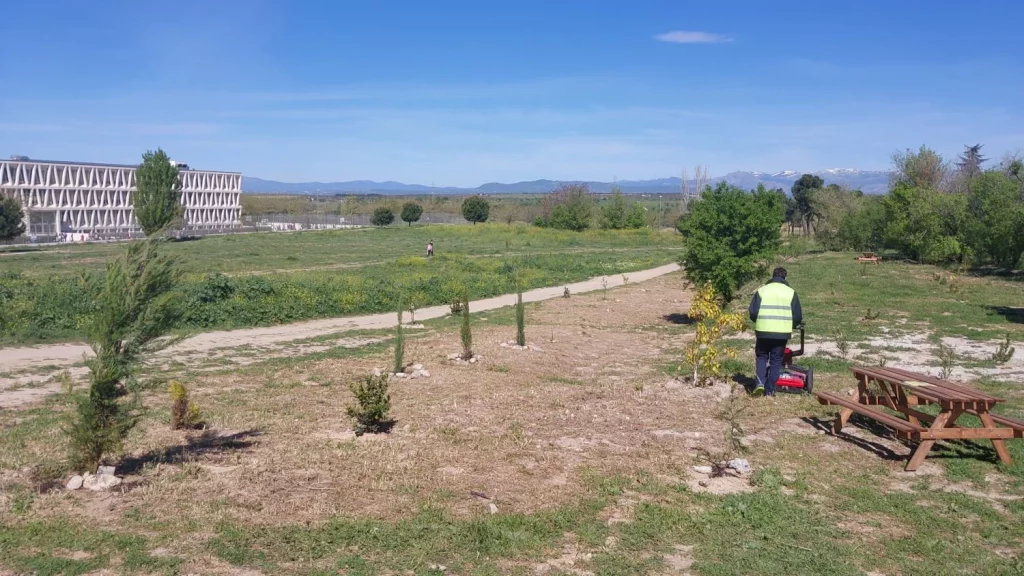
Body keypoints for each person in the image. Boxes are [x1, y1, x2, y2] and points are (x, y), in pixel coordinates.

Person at [748, 266, 802, 397]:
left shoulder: (762, 291)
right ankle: (770, 390)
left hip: (763, 330)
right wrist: (793, 324)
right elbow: (797, 316)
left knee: (761, 357)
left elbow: (753, 312)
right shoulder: (790, 292)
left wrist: (760, 320)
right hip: (781, 333)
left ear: (772, 276)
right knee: (776, 360)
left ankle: (760, 383)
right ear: (785, 277)